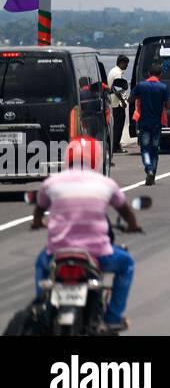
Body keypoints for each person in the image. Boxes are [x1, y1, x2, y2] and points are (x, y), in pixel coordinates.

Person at [30, 137, 141, 332]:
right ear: (96, 159)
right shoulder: (105, 183)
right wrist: (133, 225)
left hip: (58, 252)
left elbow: (39, 209)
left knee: (41, 263)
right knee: (127, 264)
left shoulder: (52, 182)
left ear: (68, 158)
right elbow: (125, 211)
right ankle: (113, 317)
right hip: (97, 253)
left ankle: (42, 308)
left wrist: (37, 222)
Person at [131, 62, 170, 186]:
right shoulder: (163, 87)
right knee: (155, 149)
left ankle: (148, 168)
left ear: (148, 73)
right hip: (157, 123)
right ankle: (153, 172)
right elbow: (168, 105)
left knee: (145, 149)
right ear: (161, 74)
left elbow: (130, 99)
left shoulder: (141, 85)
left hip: (144, 122)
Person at [106, 54, 131, 154]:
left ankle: (116, 145)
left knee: (116, 125)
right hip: (117, 104)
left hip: (113, 102)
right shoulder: (117, 73)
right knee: (118, 126)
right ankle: (115, 146)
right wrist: (123, 101)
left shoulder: (113, 71)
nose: (127, 66)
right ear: (121, 63)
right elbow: (116, 89)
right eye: (126, 64)